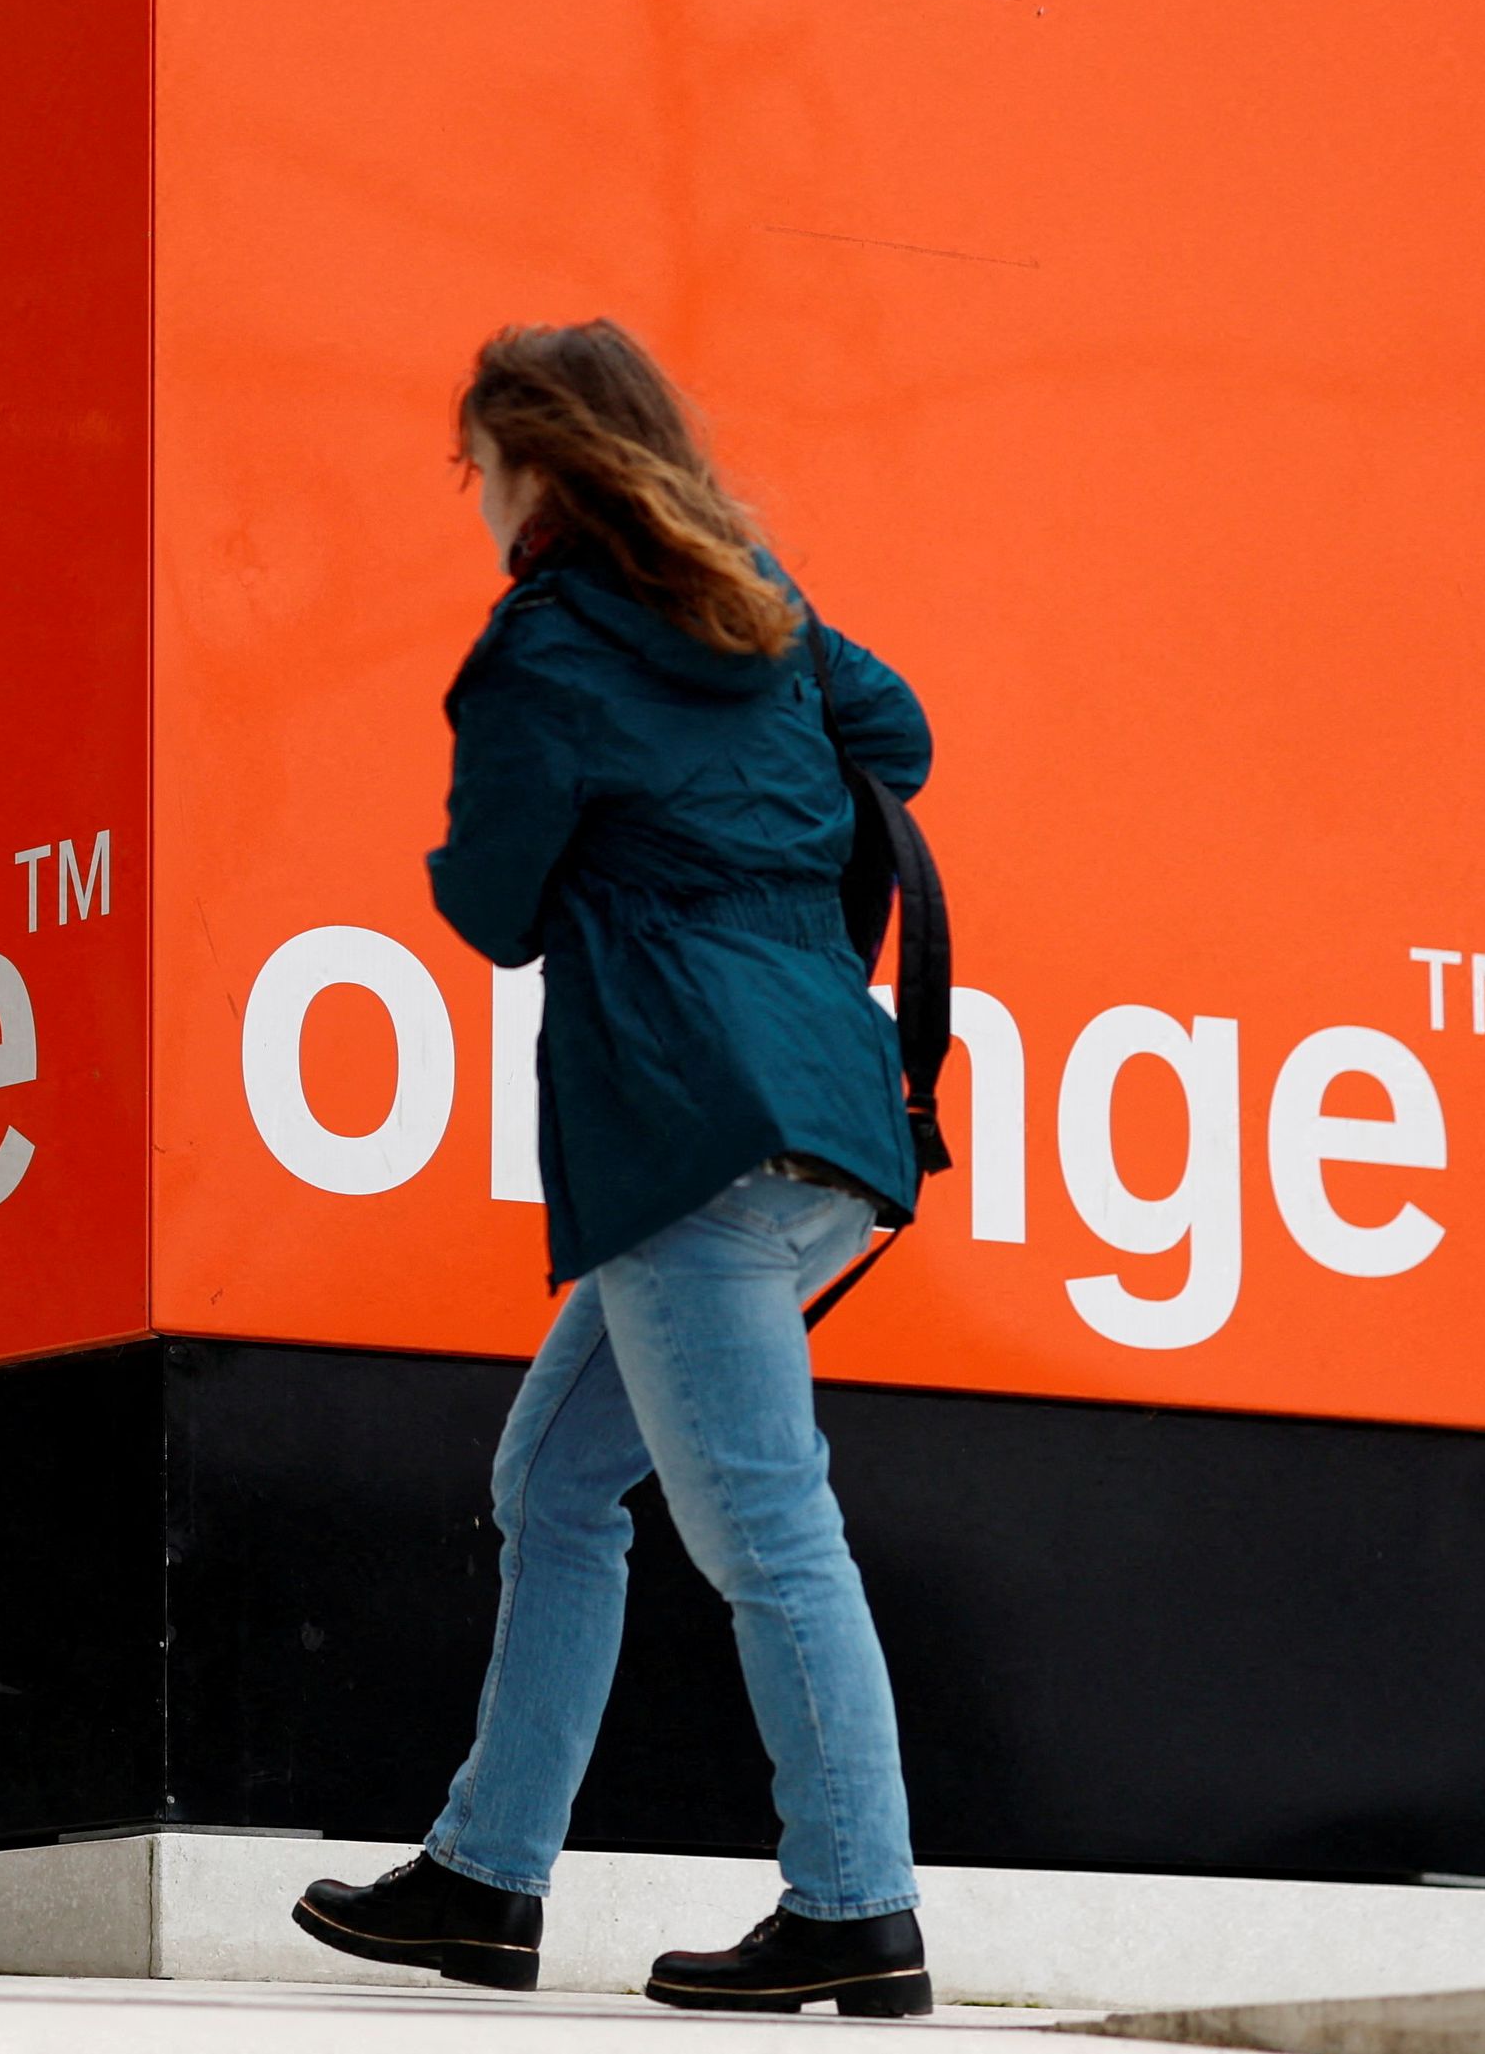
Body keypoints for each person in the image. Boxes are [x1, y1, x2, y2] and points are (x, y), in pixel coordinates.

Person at [289, 322, 937, 2017]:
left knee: (770, 1532)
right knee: (557, 1481)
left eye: (476, 466)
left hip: (684, 1129)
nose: (475, 496)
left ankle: (857, 1905)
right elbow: (906, 735)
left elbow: (493, 903)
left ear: (533, 467)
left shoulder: (545, 648)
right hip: (827, 1123)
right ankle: (486, 1877)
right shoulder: (759, 602)